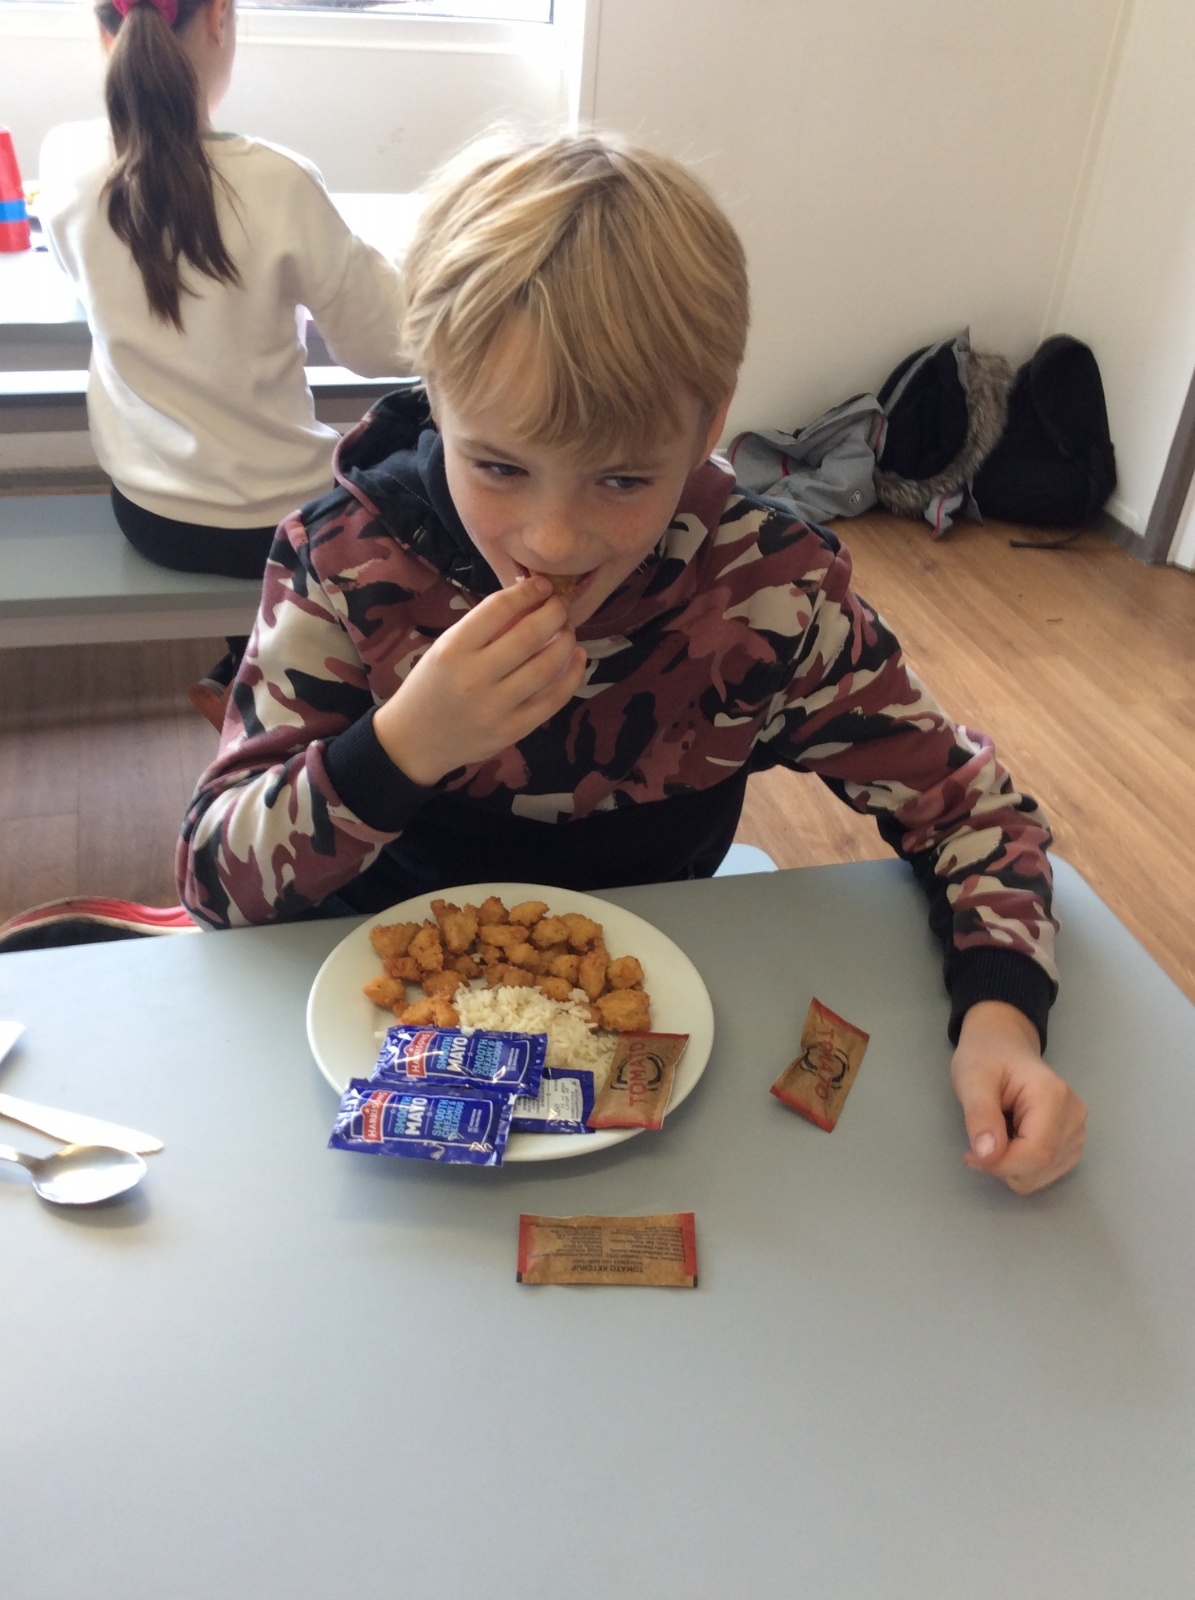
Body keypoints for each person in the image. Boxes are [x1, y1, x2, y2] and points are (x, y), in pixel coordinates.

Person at [177, 130, 1086, 1195]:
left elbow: (975, 812)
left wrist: (1001, 1020)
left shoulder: (769, 592)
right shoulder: (347, 565)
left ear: (707, 426)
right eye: (498, 465)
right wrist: (401, 746)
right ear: (437, 393)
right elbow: (212, 879)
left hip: (662, 1061)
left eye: (620, 480)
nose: (553, 541)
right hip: (376, 1050)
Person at [38, 0, 408, 718]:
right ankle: (300, 698)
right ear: (218, 19)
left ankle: (241, 674)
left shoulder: (67, 161)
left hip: (150, 514)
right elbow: (379, 347)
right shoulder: (278, 181)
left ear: (102, 31)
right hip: (278, 525)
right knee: (412, 450)